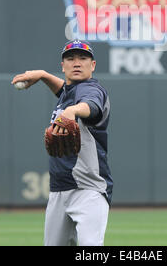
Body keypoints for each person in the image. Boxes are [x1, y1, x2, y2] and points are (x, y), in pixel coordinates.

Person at [11, 39, 113, 246]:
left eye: (83, 58)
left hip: (88, 189)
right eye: (70, 58)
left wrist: (73, 111)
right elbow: (64, 91)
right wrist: (44, 76)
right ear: (63, 66)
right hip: (58, 190)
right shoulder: (70, 92)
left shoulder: (92, 90)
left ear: (92, 65)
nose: (77, 63)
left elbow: (91, 106)